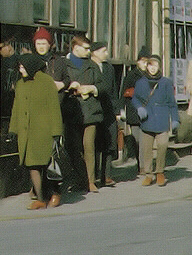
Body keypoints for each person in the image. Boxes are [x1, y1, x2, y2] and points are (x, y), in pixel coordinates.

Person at [9, 54, 64, 210]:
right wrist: (13, 129)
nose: (20, 70)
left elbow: (54, 109)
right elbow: (16, 109)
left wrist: (56, 132)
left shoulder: (46, 82)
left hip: (44, 131)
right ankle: (40, 199)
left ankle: (55, 193)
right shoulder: (20, 84)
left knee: (47, 166)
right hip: (26, 133)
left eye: (22, 66)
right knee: (32, 165)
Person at [131, 55, 180, 186]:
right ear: (147, 66)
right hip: (147, 119)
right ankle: (148, 174)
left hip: (162, 119)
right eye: (150, 65)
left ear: (159, 67)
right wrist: (139, 108)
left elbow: (172, 102)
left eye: (155, 65)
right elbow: (135, 98)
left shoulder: (166, 82)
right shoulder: (140, 82)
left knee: (163, 145)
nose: (153, 68)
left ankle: (160, 172)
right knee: (146, 149)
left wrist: (175, 119)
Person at [65, 35, 103, 193]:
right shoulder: (64, 64)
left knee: (89, 146)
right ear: (75, 48)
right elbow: (59, 82)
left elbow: (102, 85)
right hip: (72, 111)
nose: (89, 51)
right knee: (73, 147)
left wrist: (92, 89)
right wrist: (69, 86)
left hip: (90, 111)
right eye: (86, 48)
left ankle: (90, 181)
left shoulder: (92, 65)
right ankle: (80, 178)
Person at [89, 41, 117, 188]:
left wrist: (117, 111)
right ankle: (93, 176)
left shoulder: (109, 68)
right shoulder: (88, 66)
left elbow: (113, 90)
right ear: (94, 52)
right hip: (93, 110)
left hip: (108, 110)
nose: (106, 53)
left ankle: (106, 175)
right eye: (103, 51)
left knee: (109, 143)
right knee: (94, 144)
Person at [119, 46, 151, 167]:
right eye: (143, 61)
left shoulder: (152, 75)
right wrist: (121, 109)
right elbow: (123, 92)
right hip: (134, 111)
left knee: (146, 140)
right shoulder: (131, 75)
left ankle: (144, 166)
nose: (145, 64)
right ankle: (140, 163)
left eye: (147, 61)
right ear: (138, 62)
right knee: (138, 139)